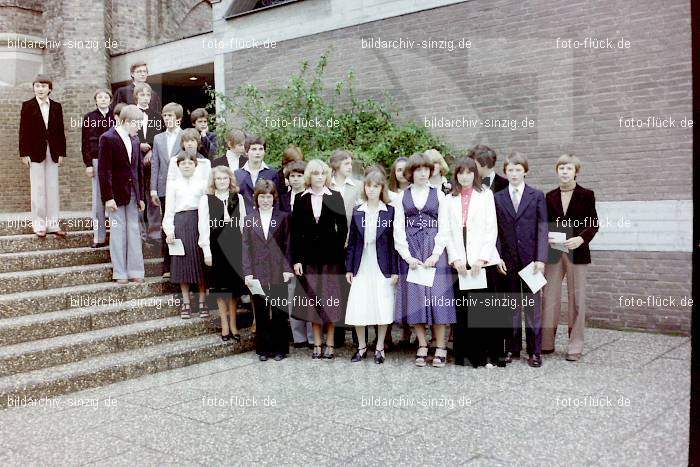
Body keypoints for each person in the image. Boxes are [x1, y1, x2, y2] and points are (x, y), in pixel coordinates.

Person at [393, 152, 455, 367]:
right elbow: (398, 229)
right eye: (418, 170)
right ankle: (422, 344)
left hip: (433, 253)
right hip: (412, 254)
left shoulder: (439, 195)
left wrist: (436, 253)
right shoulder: (402, 197)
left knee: (438, 301)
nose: (422, 173)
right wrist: (407, 256)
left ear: (431, 171)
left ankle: (440, 346)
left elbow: (445, 227)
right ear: (411, 172)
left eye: (425, 169)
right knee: (416, 301)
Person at [445, 158, 504, 368]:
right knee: (464, 310)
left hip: (482, 260)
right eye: (461, 173)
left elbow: (491, 228)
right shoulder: (449, 198)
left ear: (475, 175)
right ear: (456, 175)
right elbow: (446, 232)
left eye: (469, 172)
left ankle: (487, 355)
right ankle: (466, 355)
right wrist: (455, 258)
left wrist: (482, 257)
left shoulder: (485, 194)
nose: (465, 176)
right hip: (460, 260)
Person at [494, 152, 548, 368]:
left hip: (531, 262)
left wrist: (541, 259)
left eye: (518, 169)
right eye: (510, 170)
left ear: (525, 171)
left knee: (533, 307)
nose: (514, 174)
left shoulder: (536, 196)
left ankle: (534, 351)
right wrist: (497, 257)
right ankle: (512, 348)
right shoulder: (498, 198)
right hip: (508, 261)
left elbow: (543, 229)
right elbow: (495, 231)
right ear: (505, 173)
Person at [542, 154, 599, 361]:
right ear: (557, 171)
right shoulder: (549, 196)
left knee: (577, 300)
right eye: (561, 168)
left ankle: (575, 346)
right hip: (554, 252)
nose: (565, 172)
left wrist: (581, 240)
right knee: (549, 297)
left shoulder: (586, 194)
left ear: (576, 171)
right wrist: (546, 234)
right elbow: (544, 223)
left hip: (577, 252)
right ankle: (546, 343)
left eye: (569, 168)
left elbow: (593, 224)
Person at [292, 159, 348, 359]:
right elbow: (296, 232)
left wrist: (338, 254)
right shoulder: (300, 198)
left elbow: (343, 229)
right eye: (315, 174)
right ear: (310, 176)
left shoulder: (335, 197)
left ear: (327, 176)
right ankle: (316, 343)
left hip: (331, 260)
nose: (319, 177)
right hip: (309, 260)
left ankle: (330, 343)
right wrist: (297, 260)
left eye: (322, 174)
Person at [345, 169, 398, 364]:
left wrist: (394, 270)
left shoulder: (390, 211)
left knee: (382, 306)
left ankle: (380, 347)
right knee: (359, 305)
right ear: (364, 188)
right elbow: (352, 243)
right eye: (369, 186)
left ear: (382, 188)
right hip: (362, 265)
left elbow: (394, 244)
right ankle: (361, 347)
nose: (372, 189)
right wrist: (349, 268)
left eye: (376, 186)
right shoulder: (358, 211)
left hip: (382, 266)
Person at [242, 180, 294, 361]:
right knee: (261, 310)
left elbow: (288, 245)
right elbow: (246, 247)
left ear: (274, 198)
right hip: (257, 271)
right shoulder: (249, 219)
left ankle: (280, 349)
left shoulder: (283, 217)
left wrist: (288, 269)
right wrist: (247, 273)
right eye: (262, 197)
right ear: (256, 198)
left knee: (279, 310)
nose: (265, 200)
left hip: (278, 270)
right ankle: (263, 349)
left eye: (269, 197)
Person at [198, 166, 247, 342]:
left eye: (225, 179)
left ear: (230, 180)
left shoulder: (238, 198)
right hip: (216, 248)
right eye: (218, 179)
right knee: (220, 290)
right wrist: (206, 252)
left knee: (234, 291)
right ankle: (224, 325)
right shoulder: (206, 200)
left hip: (235, 248)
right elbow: (203, 227)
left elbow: (242, 225)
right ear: (213, 181)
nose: (222, 182)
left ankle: (233, 325)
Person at [97, 105, 145, 284]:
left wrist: (140, 197)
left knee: (134, 231)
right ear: (126, 121)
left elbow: (138, 170)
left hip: (132, 194)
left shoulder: (135, 140)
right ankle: (119, 272)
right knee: (118, 232)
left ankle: (136, 270)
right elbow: (104, 171)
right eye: (137, 123)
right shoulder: (107, 138)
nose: (139, 127)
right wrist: (108, 197)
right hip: (115, 195)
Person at [19, 74, 67, 237]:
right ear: (34, 88)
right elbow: (23, 131)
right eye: (37, 86)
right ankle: (39, 224)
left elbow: (60, 131)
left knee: (52, 187)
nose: (40, 89)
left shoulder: (56, 106)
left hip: (52, 151)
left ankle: (53, 224)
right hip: (34, 152)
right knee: (38, 187)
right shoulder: (27, 106)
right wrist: (24, 153)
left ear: (50, 89)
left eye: (44, 86)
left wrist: (61, 152)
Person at [163, 152, 208, 319]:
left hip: (199, 222)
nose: (187, 166)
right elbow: (169, 209)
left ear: (195, 165)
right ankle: (186, 302)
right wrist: (169, 230)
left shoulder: (203, 183)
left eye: (190, 163)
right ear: (178, 166)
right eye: (183, 163)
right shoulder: (174, 185)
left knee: (200, 262)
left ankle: (203, 301)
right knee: (182, 263)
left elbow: (207, 206)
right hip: (180, 223)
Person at [279, 160, 313, 348]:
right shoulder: (282, 199)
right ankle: (298, 336)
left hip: (306, 251)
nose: (296, 179)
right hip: (287, 250)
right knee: (293, 295)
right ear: (288, 179)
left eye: (300, 175)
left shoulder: (311, 197)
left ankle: (312, 335)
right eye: (293, 176)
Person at [150, 102, 184, 278]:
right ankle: (167, 266)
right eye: (165, 116)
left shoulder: (186, 136)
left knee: (182, 224)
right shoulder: (158, 138)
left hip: (182, 187)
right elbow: (155, 163)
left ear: (178, 118)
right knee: (166, 224)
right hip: (164, 188)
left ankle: (181, 264)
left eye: (171, 116)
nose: (167, 119)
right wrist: (153, 190)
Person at [82, 88, 115, 248]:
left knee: (115, 197)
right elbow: (85, 143)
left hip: (114, 162)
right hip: (96, 161)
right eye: (100, 97)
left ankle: (116, 236)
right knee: (98, 202)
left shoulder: (116, 117)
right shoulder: (89, 117)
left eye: (106, 97)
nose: (103, 99)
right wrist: (88, 164)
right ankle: (99, 237)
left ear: (110, 99)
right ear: (96, 100)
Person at [134, 82, 164, 242]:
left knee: (152, 194)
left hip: (151, 159)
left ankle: (154, 231)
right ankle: (140, 233)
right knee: (137, 195)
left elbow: (158, 136)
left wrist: (152, 150)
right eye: (142, 95)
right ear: (136, 96)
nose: (145, 98)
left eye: (148, 95)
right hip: (134, 157)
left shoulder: (156, 116)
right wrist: (139, 145)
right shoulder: (131, 114)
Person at [234, 136, 279, 213]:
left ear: (264, 151)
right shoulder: (237, 174)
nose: (257, 153)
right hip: (245, 218)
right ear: (246, 152)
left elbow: (277, 200)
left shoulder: (272, 173)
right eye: (254, 149)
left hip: (267, 217)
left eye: (261, 149)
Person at [329, 149, 360, 227]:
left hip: (351, 234)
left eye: (351, 164)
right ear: (336, 165)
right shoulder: (326, 185)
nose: (350, 167)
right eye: (346, 164)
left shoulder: (358, 186)